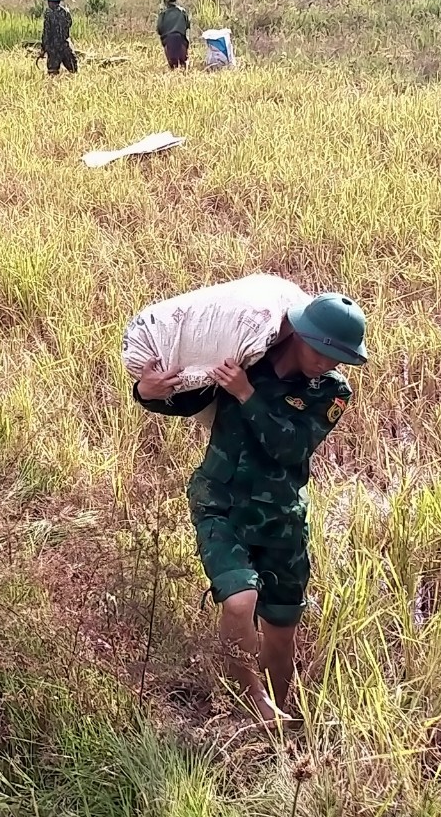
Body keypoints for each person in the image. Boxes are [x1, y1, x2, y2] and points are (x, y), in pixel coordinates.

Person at [132, 292, 368, 724]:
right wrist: (145, 392)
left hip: (282, 518)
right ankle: (252, 705)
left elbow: (292, 447)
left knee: (281, 627)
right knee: (239, 601)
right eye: (321, 351)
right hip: (221, 502)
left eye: (339, 358)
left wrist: (247, 396)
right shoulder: (245, 358)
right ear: (297, 333)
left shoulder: (332, 392)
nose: (326, 363)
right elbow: (185, 396)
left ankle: (280, 713)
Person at [39, 0, 78, 76]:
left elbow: (46, 32)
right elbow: (69, 24)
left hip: (54, 48)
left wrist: (44, 48)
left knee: (53, 72)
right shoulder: (65, 12)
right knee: (73, 69)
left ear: (53, 2)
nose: (49, 4)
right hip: (64, 45)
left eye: (50, 2)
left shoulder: (48, 14)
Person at [157, 0, 190, 70]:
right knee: (183, 65)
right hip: (181, 40)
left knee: (173, 67)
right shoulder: (182, 11)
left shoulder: (163, 13)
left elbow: (159, 29)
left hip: (168, 41)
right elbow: (187, 25)